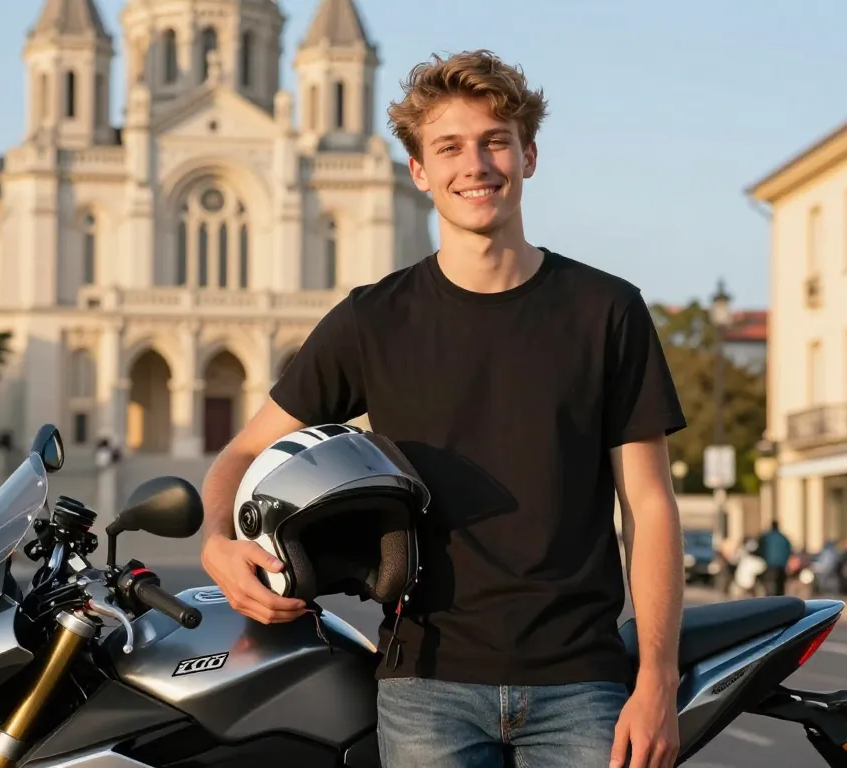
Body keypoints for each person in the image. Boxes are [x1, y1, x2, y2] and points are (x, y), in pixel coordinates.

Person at [200, 49, 686, 768]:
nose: (476, 165)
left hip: (581, 684)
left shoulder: (607, 311)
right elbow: (243, 452)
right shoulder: (371, 320)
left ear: (529, 155)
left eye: (495, 141)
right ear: (419, 171)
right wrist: (215, 541)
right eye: (449, 147)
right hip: (425, 687)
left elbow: (649, 504)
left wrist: (656, 681)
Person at [756, 521, 792, 596]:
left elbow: (760, 549)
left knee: (770, 584)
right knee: (780, 585)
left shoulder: (766, 537)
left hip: (770, 565)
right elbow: (789, 550)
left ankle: (770, 598)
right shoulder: (783, 537)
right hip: (781, 565)